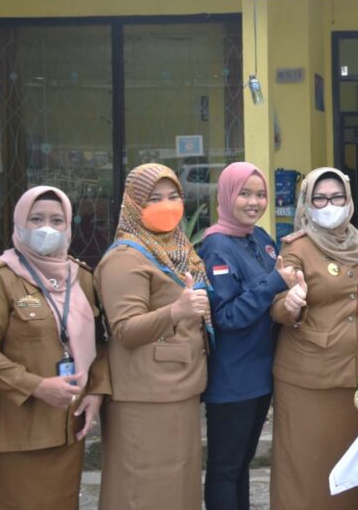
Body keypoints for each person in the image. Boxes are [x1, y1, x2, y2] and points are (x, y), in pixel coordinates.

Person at [0, 186, 109, 509]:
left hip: (67, 431)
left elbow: (100, 343)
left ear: (69, 226)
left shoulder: (81, 278)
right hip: (14, 434)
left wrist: (97, 391)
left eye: (57, 220)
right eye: (36, 219)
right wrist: (37, 386)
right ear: (19, 223)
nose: (47, 228)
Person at [269, 167, 358, 510]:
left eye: (337, 197)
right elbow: (277, 304)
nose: (329, 205)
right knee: (307, 465)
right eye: (319, 198)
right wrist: (290, 304)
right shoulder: (296, 247)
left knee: (354, 460)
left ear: (348, 200)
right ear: (307, 203)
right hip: (309, 377)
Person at [95, 164, 211, 510]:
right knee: (144, 487)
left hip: (179, 385)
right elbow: (125, 329)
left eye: (174, 196)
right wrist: (176, 311)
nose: (167, 205)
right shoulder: (125, 257)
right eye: (154, 198)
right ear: (133, 205)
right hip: (145, 394)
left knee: (178, 482)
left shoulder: (178, 249)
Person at [198, 162, 297, 510]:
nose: (254, 202)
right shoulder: (216, 246)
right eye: (244, 194)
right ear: (227, 195)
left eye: (260, 194)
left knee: (242, 465)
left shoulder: (260, 238)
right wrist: (274, 284)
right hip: (232, 378)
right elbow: (225, 316)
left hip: (260, 373)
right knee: (225, 470)